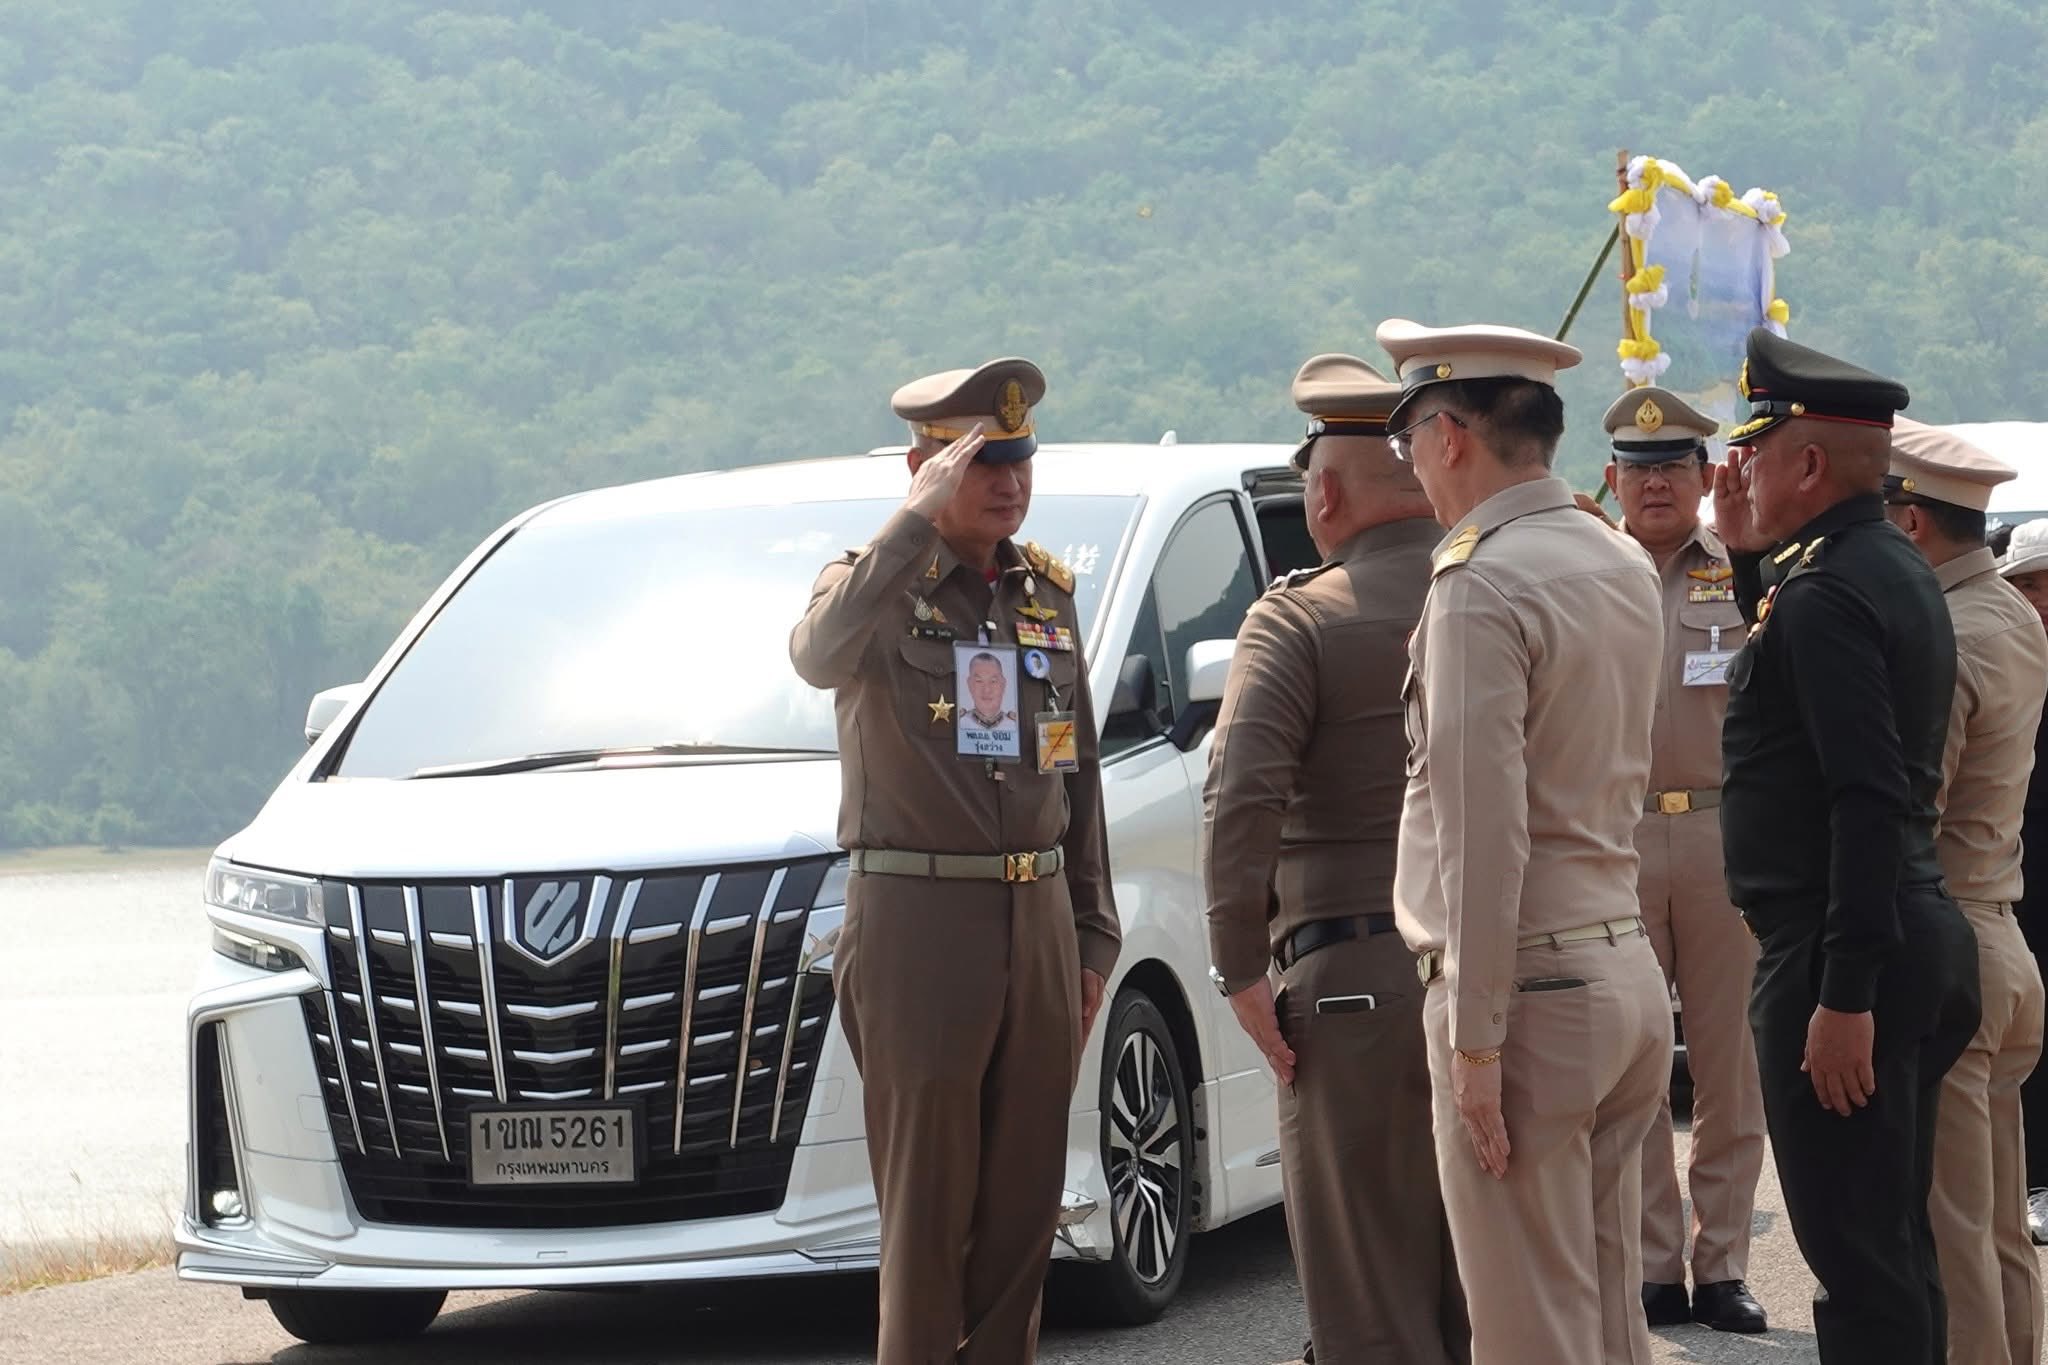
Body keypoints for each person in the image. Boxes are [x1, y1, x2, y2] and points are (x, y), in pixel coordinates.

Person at [788, 357, 1120, 1365]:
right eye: (981, 460)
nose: (1008, 481)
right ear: (922, 466)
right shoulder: (874, 584)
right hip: (919, 924)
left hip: (1039, 919)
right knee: (929, 1217)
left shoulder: (1042, 595)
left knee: (1024, 1211)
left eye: (1018, 458)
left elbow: (1078, 776)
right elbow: (815, 654)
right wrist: (908, 527)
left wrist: (1092, 935)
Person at [1381, 318, 1671, 1365]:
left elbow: (1480, 835)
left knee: (1528, 1337)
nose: (1407, 464)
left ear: (1448, 434)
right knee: (1601, 1325)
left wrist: (1474, 1038)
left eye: (1405, 437)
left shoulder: (1476, 582)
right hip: (1617, 968)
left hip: (1529, 992)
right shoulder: (1612, 554)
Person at [1713, 329, 1981, 1365]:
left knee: (1858, 1258)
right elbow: (1799, 711)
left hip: (1840, 942)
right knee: (1888, 1244)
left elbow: (1863, 795)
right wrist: (1746, 559)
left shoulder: (1827, 589)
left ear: (1807, 464)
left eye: (1758, 451)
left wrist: (1842, 993)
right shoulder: (1876, 566)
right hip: (1896, 926)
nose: (1742, 470)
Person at [1202, 353, 1468, 1365]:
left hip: (1351, 979)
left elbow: (1240, 800)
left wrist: (1236, 967)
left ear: (1319, 493)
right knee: (1481, 1286)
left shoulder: (1300, 616)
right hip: (1500, 969)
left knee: (1366, 1296)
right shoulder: (1494, 590)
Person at [1597, 388, 1769, 1335]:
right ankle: (1654, 1264)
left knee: (1728, 1063)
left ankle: (1726, 1262)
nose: (1654, 482)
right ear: (1613, 476)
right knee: (1627, 1063)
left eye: (1672, 467)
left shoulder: (1745, 573)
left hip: (1719, 833)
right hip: (1613, 835)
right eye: (1638, 466)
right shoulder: (1587, 570)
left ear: (1704, 478)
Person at [1886, 419, 2048, 1365]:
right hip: (2003, 933)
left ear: (1910, 523)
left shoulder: (1946, 632)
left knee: (1955, 1229)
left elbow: (1917, 810)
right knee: (1992, 1221)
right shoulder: (2013, 618)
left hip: (1954, 941)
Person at [2002, 518, 2048, 1245]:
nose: (2043, 602)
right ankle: (2035, 1177)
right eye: (2030, 586)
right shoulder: (1993, 657)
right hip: (2014, 869)